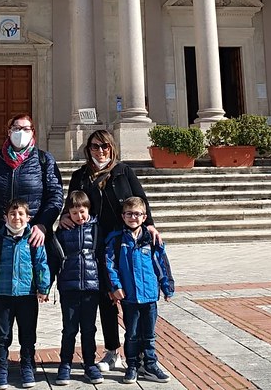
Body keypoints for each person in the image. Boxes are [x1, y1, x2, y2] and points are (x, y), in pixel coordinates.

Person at [60, 128, 161, 373]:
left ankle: (137, 356)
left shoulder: (123, 171)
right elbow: (72, 202)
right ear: (88, 149)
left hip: (123, 243)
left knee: (129, 298)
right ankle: (112, 351)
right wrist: (64, 216)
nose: (100, 151)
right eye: (95, 146)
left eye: (104, 146)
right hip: (95, 243)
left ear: (112, 147)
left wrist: (151, 225)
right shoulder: (80, 175)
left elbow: (141, 199)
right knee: (107, 298)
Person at [104, 196, 175, 385]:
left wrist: (167, 286)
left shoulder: (151, 239)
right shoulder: (117, 240)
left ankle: (150, 364)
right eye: (129, 214)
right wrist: (116, 287)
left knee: (150, 334)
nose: (133, 217)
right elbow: (110, 266)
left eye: (137, 214)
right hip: (130, 297)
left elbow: (161, 264)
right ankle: (132, 365)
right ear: (123, 216)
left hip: (150, 295)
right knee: (132, 334)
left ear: (144, 217)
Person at [0, 199, 51, 390]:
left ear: (28, 218)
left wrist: (43, 287)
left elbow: (41, 263)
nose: (16, 217)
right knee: (2, 334)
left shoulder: (33, 240)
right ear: (6, 217)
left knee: (27, 333)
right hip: (3, 294)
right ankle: (1, 367)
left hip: (27, 294)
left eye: (21, 214)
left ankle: (27, 365)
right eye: (12, 214)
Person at [0, 113, 63, 249]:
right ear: (9, 132)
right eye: (16, 128)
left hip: (32, 236)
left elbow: (55, 196)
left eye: (26, 129)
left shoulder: (44, 160)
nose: (21, 132)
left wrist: (43, 225)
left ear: (33, 132)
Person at [49, 191, 105, 386]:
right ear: (68, 214)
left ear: (88, 210)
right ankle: (65, 364)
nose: (79, 216)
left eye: (82, 211)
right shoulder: (63, 232)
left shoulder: (97, 229)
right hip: (69, 286)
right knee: (69, 328)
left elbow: (103, 257)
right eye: (74, 213)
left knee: (89, 329)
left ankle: (90, 364)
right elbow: (54, 258)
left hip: (91, 286)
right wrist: (46, 285)